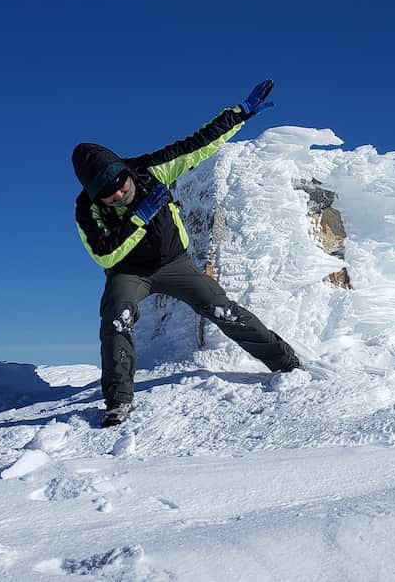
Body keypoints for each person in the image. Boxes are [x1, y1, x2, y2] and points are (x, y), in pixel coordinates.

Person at [72, 79, 300, 427]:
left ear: (124, 171)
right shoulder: (86, 211)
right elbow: (105, 255)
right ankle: (118, 401)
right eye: (108, 194)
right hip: (129, 273)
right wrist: (138, 218)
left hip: (174, 263)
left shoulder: (149, 171)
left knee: (223, 310)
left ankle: (287, 364)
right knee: (117, 316)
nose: (118, 194)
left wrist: (241, 113)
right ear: (93, 195)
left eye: (120, 184)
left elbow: (198, 144)